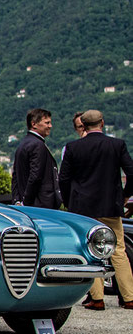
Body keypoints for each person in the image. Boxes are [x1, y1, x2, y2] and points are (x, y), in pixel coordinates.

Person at [59, 110, 133, 310]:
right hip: (111, 205)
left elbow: (63, 179)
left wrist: (69, 202)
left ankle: (97, 298)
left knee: (90, 250)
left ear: (83, 124)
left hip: (83, 209)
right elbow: (131, 172)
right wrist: (125, 196)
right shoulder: (117, 145)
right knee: (118, 250)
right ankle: (129, 297)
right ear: (102, 122)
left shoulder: (73, 148)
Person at [11, 108, 61, 209]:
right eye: (47, 123)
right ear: (34, 124)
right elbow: (35, 176)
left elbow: (15, 175)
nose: (50, 126)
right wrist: (26, 202)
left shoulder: (23, 144)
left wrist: (17, 200)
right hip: (40, 204)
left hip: (25, 202)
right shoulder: (38, 145)